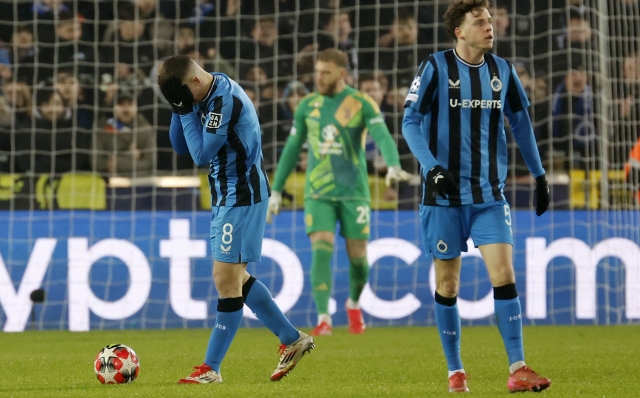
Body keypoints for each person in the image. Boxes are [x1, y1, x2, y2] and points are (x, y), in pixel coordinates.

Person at [401, 0, 551, 393]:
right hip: (444, 198)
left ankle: (517, 368)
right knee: (448, 285)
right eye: (480, 21)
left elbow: (520, 122)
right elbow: (410, 120)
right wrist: (432, 167)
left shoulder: (503, 71)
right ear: (459, 31)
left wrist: (539, 175)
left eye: (490, 20)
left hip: (489, 195)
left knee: (504, 275)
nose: (490, 26)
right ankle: (456, 370)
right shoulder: (435, 67)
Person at [157, 54, 314, 384]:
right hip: (225, 195)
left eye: (185, 93)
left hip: (243, 193)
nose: (186, 101)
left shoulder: (223, 99)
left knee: (225, 279)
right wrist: (178, 107)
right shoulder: (199, 93)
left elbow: (200, 154)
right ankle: (291, 337)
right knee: (234, 277)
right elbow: (180, 147)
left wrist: (185, 110)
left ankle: (211, 368)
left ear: (195, 82)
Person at [266, 48, 411, 336]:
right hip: (318, 191)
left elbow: (382, 135)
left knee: (358, 256)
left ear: (342, 74)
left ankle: (354, 304)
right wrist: (276, 190)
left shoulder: (361, 104)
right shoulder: (307, 105)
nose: (318, 77)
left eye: (325, 73)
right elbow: (293, 148)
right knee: (321, 246)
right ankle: (324, 319)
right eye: (317, 71)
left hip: (354, 191)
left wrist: (393, 165)